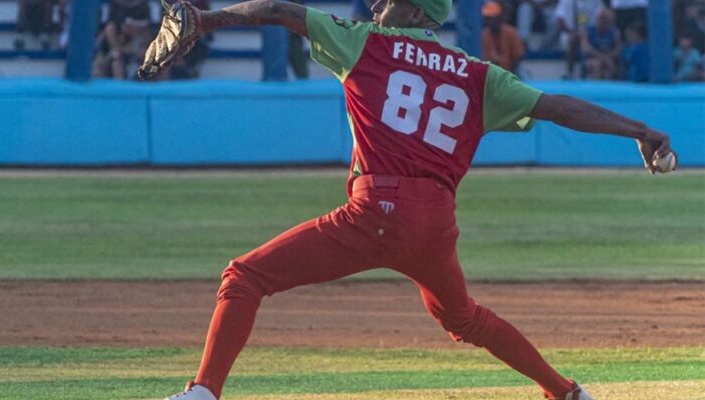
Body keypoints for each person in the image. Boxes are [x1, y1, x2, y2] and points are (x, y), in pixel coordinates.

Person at [146, 0, 675, 399]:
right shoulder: (478, 74)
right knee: (463, 318)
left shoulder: (367, 41)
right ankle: (567, 392)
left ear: (418, 10)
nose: (376, 5)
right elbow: (559, 107)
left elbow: (282, 11)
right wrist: (640, 129)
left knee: (244, 277)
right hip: (436, 223)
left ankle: (202, 393)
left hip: (375, 209)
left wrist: (202, 19)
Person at [554, 0, 603, 78]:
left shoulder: (596, 1)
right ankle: (570, 71)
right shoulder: (566, 1)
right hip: (570, 33)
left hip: (591, 34)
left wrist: (586, 33)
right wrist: (574, 33)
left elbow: (601, 17)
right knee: (573, 40)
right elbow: (560, 21)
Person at [482, 0, 526, 72]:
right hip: (490, 74)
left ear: (499, 17)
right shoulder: (484, 34)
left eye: (492, 18)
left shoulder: (511, 33)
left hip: (510, 74)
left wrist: (509, 74)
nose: (489, 21)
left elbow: (519, 55)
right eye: (487, 18)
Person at [580, 8, 620, 79]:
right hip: (592, 58)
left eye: (606, 20)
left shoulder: (614, 32)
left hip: (609, 57)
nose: (603, 21)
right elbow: (586, 48)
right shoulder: (588, 30)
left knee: (612, 66)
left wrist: (608, 57)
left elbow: (617, 50)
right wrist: (604, 58)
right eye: (601, 19)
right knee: (597, 65)